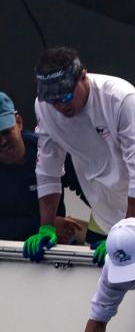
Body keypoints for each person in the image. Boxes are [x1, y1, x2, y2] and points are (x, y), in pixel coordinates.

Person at [23, 47, 135, 265]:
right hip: (104, 212)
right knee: (98, 282)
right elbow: (48, 170)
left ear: (83, 76)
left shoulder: (120, 98)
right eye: (53, 100)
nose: (61, 106)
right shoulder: (44, 107)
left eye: (67, 96)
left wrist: (127, 235)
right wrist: (47, 226)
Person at [0, 91, 82, 244]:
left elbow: (87, 186)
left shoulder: (47, 149)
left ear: (18, 122)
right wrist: (45, 225)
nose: (2, 141)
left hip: (53, 245)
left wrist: (113, 227)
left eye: (6, 131)